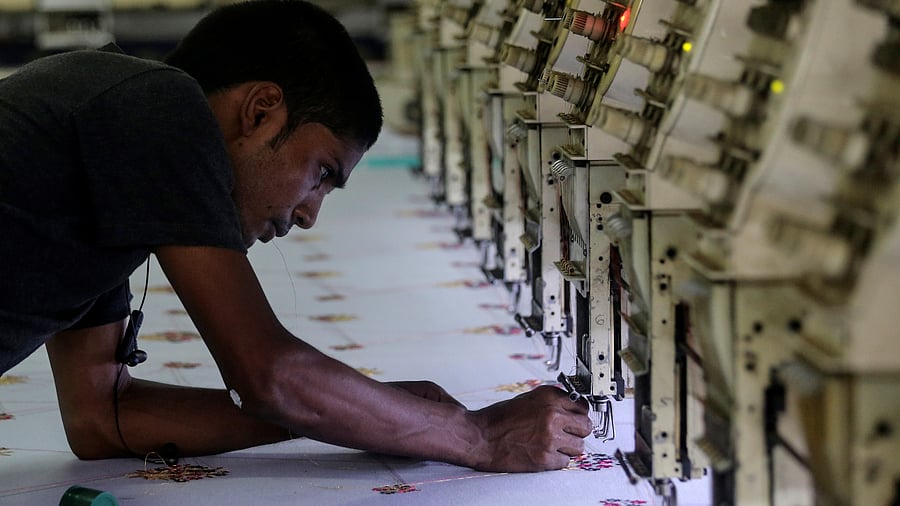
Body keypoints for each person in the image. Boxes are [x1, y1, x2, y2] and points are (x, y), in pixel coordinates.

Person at [0, 0, 590, 472]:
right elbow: (268, 376)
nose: (309, 215)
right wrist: (476, 437)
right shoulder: (157, 105)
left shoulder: (104, 158)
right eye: (323, 174)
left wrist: (363, 413)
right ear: (261, 112)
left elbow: (105, 419)